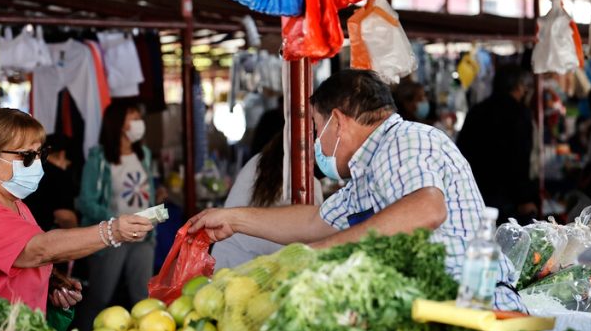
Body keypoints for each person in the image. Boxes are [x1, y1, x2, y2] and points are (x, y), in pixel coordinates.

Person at [189, 69, 523, 311]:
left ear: (338, 120)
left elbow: (427, 209)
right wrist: (234, 219)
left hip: (475, 309)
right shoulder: (366, 170)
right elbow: (313, 222)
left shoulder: (405, 140)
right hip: (440, 311)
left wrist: (321, 253)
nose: (318, 140)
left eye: (319, 128)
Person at [0, 108, 153, 326]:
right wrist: (113, 231)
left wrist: (49, 281)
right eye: (27, 156)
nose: (37, 164)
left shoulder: (9, 199)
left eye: (41, 154)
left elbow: (16, 256)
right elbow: (40, 248)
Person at [76, 100, 157, 328]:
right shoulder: (99, 158)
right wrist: (116, 223)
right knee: (100, 297)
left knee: (143, 297)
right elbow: (86, 201)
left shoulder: (145, 155)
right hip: (111, 238)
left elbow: (146, 191)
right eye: (133, 118)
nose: (139, 123)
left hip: (143, 238)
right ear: (118, 123)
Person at [212, 132, 323, 270]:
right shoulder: (307, 182)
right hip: (242, 270)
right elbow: (309, 235)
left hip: (228, 263)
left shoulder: (257, 162)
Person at [456, 64, 538, 225]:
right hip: (508, 194)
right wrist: (524, 197)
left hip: (475, 190)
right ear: (518, 86)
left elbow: (461, 149)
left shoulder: (477, 110)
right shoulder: (519, 113)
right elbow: (520, 157)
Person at [23, 133, 79, 232]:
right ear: (62, 154)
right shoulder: (60, 176)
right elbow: (65, 217)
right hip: (42, 235)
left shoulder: (28, 168)